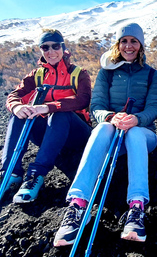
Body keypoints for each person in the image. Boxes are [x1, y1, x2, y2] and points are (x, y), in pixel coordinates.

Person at [53, 23, 157, 246]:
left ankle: (136, 208)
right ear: (118, 44)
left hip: (143, 135)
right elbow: (97, 106)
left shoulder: (152, 74)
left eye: (133, 41)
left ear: (140, 44)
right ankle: (77, 205)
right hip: (112, 131)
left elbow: (154, 107)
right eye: (124, 41)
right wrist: (112, 117)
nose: (128, 45)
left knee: (134, 134)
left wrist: (136, 120)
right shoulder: (107, 73)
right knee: (102, 127)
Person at [0, 29, 92, 204]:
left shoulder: (79, 73)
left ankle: (36, 175)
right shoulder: (37, 75)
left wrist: (47, 107)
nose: (50, 51)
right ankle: (11, 173)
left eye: (55, 46)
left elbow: (82, 100)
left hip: (76, 134)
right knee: (19, 115)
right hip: (49, 134)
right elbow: (14, 96)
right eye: (45, 47)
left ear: (63, 47)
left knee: (60, 115)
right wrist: (16, 106)